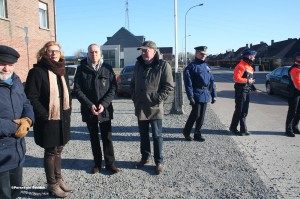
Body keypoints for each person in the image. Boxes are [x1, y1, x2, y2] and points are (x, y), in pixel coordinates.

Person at [25, 41, 72, 198]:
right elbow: (31, 97)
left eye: (56, 52)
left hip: (62, 118)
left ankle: (59, 180)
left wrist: (68, 112)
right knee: (51, 151)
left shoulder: (62, 71)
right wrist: (44, 115)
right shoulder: (37, 72)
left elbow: (68, 94)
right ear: (44, 53)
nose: (54, 54)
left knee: (58, 149)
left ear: (60, 54)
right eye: (51, 51)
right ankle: (52, 184)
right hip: (48, 120)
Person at [74, 44, 120, 174]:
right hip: (90, 110)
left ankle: (110, 164)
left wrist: (103, 104)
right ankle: (97, 164)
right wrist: (90, 105)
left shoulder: (108, 68)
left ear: (100, 53)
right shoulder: (81, 69)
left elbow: (113, 88)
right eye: (91, 52)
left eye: (96, 52)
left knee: (107, 137)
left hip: (104, 109)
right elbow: (77, 90)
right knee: (94, 138)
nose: (94, 54)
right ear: (87, 54)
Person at [131, 41, 174, 175]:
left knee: (157, 136)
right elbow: (133, 83)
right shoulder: (138, 64)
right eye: (142, 50)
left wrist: (156, 99)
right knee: (143, 135)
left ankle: (159, 161)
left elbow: (168, 87)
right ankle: (145, 157)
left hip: (154, 107)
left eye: (146, 50)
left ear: (154, 51)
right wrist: (135, 97)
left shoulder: (163, 65)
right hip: (141, 106)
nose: (143, 53)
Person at [0, 45, 34, 199]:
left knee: (15, 191)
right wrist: (15, 127)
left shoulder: (16, 80)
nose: (6, 68)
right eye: (2, 63)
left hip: (17, 151)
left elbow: (26, 103)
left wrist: (28, 120)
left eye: (11, 65)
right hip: (1, 153)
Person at [182, 46, 217, 142]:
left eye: (205, 54)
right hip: (196, 93)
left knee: (201, 116)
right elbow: (188, 84)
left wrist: (214, 95)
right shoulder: (191, 67)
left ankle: (197, 133)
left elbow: (212, 82)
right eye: (201, 54)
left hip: (205, 94)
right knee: (195, 114)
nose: (203, 56)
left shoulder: (207, 67)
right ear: (196, 53)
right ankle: (186, 132)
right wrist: (190, 97)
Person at [229, 49, 258, 136]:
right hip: (240, 91)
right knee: (239, 110)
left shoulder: (250, 67)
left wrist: (254, 89)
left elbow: (250, 80)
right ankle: (233, 128)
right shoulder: (240, 66)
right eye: (253, 56)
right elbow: (236, 78)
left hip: (246, 90)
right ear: (249, 56)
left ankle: (243, 129)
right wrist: (247, 80)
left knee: (244, 111)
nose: (254, 58)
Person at [285, 52, 300, 137]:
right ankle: (288, 129)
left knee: (298, 112)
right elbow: (297, 83)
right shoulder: (295, 69)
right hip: (294, 93)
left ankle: (295, 127)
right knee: (292, 112)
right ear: (297, 58)